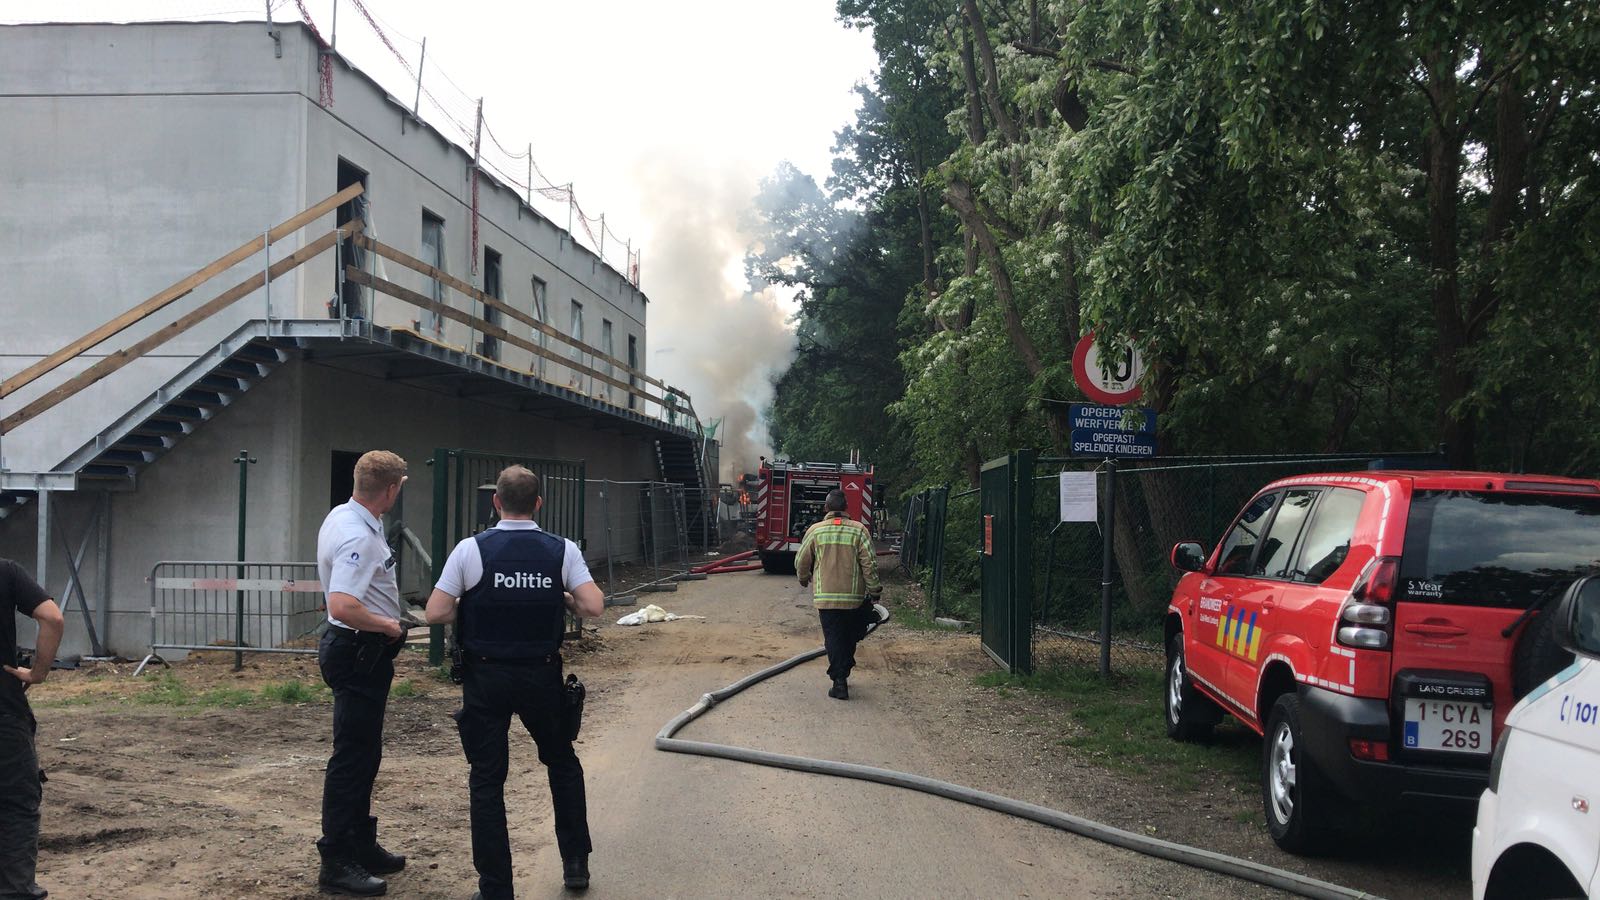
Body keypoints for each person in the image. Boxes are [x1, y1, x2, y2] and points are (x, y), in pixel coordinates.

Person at [426, 465, 604, 898]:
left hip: (485, 677)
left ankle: (495, 888)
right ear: (538, 504)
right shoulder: (560, 550)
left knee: (487, 779)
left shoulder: (471, 550)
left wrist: (470, 608)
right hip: (541, 675)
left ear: (496, 502)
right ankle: (575, 864)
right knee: (561, 763)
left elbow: (435, 612)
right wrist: (559, 595)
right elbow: (593, 606)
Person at [315, 450, 410, 896]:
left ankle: (360, 844)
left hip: (355, 651)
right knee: (353, 758)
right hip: (358, 651)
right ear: (390, 489)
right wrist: (388, 625)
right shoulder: (360, 537)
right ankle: (336, 860)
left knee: (364, 753)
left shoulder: (343, 515)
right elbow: (342, 605)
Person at [1, 559, 63, 900]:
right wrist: (38, 671)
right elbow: (52, 618)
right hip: (3, 715)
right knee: (14, 806)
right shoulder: (6, 572)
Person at [795, 489, 888, 700]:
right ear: (846, 509)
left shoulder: (815, 531)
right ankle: (842, 673)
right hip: (852, 599)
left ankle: (839, 680)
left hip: (826, 598)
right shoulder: (859, 531)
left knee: (834, 638)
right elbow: (869, 564)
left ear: (826, 508)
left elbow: (802, 561)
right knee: (849, 637)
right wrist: (874, 591)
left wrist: (803, 579)